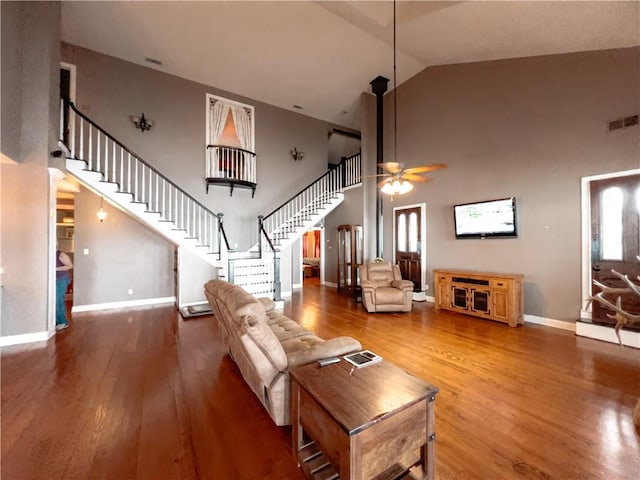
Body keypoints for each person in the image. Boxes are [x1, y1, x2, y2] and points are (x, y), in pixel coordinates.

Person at [55, 247, 73, 331]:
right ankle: (56, 321)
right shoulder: (50, 254)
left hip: (62, 279)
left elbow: (70, 266)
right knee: (54, 300)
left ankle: (63, 322)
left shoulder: (61, 255)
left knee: (58, 299)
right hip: (54, 279)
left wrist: (54, 269)